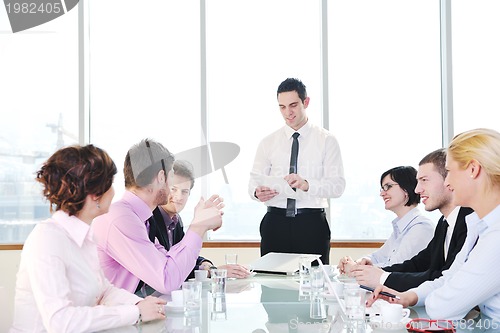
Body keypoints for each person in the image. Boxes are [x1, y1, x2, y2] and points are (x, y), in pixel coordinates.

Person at [10, 145, 165, 333]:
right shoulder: (47, 239)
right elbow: (60, 322)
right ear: (95, 195)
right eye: (110, 184)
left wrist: (141, 304)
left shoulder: (85, 237)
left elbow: (103, 291)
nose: (114, 192)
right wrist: (134, 312)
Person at [367, 128, 500, 321]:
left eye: (450, 172)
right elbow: (450, 277)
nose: (448, 182)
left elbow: (444, 307)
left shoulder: (495, 235)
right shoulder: (477, 224)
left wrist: (427, 297)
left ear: (473, 169)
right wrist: (409, 296)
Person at [92, 139, 224, 296]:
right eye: (171, 177)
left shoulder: (140, 219)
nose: (172, 191)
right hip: (111, 317)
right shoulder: (120, 219)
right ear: (161, 177)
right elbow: (167, 279)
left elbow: (170, 265)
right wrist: (199, 226)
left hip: (129, 312)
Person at [248, 78, 346, 264]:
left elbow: (337, 186)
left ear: (306, 102)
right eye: (282, 107)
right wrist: (257, 192)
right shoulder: (268, 142)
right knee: (272, 285)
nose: (288, 112)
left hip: (311, 223)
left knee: (314, 285)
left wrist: (307, 185)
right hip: (274, 222)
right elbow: (253, 183)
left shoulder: (326, 140)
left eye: (293, 105)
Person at [349, 149, 473, 291]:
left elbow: (445, 278)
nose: (417, 189)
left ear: (449, 179)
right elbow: (418, 264)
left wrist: (383, 277)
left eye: (424, 180)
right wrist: (376, 271)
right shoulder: (444, 223)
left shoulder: (469, 221)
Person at [149, 160, 250, 279]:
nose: (179, 197)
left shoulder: (176, 220)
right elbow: (170, 270)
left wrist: (206, 265)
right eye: (173, 189)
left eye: (184, 191)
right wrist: (214, 272)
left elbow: (185, 256)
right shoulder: (150, 220)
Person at [339, 166, 435, 270]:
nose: (382, 193)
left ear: (406, 189)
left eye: (388, 187)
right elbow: (377, 257)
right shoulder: (401, 228)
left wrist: (355, 268)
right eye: (382, 188)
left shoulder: (421, 228)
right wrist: (357, 262)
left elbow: (396, 268)